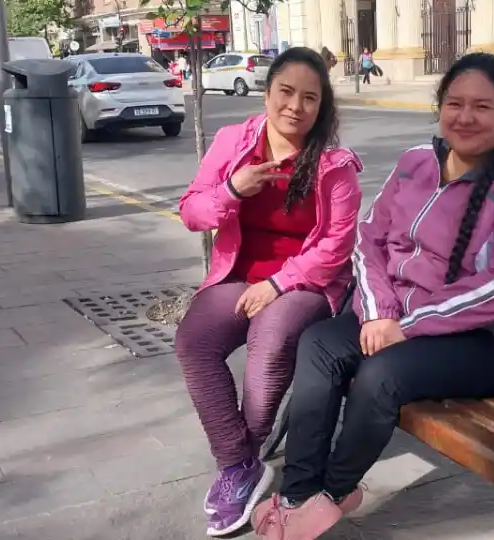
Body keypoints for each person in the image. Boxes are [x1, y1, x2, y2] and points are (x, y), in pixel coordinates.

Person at [250, 52, 494, 539]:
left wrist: (405, 326)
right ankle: (297, 493)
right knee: (319, 343)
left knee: (381, 375)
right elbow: (368, 239)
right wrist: (378, 312)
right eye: (454, 103)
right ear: (439, 107)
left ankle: (330, 495)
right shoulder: (417, 162)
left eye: (482, 106)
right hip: (404, 317)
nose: (465, 116)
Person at [173, 46, 362, 538]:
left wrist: (277, 284)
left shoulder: (334, 165)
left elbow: (336, 248)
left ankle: (247, 451)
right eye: (286, 92)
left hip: (307, 281)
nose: (295, 106)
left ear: (322, 107)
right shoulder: (235, 142)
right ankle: (239, 464)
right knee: (195, 340)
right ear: (267, 91)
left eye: (309, 98)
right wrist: (233, 190)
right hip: (239, 272)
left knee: (272, 336)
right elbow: (192, 211)